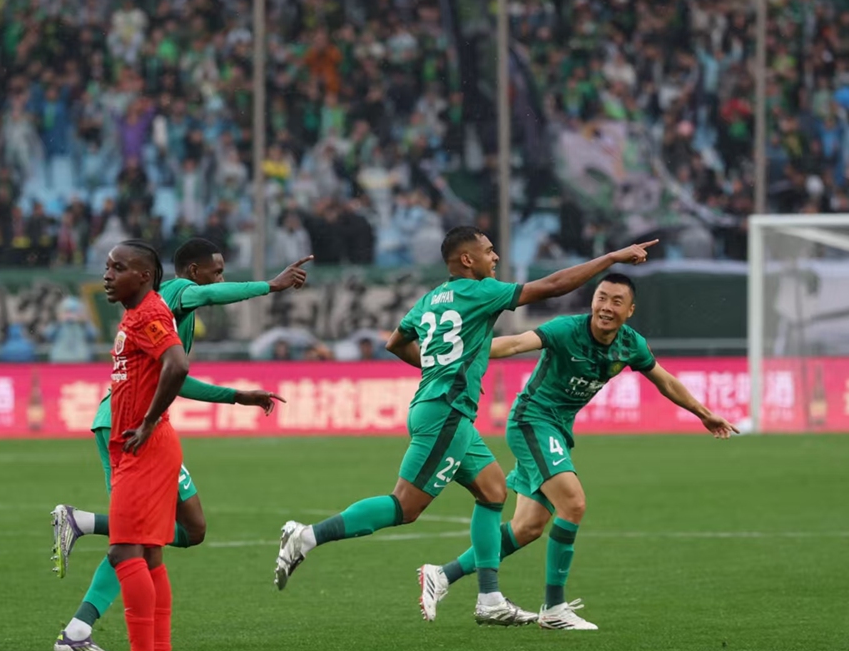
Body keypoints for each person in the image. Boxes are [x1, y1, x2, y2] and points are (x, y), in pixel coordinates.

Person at [273, 226, 657, 627]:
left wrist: (436, 366)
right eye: (489, 252)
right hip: (446, 412)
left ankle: (489, 598)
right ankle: (307, 536)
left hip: (441, 409)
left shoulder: (429, 299)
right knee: (405, 506)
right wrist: (611, 258)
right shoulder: (481, 292)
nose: (495, 258)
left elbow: (395, 342)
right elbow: (554, 285)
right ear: (467, 260)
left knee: (493, 490)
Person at [418, 274, 737, 629]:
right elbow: (515, 343)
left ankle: (442, 575)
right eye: (602, 298)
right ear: (592, 301)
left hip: (556, 429)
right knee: (574, 503)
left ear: (630, 311)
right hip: (532, 422)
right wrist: (458, 351)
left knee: (527, 528)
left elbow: (665, 380)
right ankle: (554, 608)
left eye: (617, 301)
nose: (606, 307)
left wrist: (704, 414)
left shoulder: (631, 344)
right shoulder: (566, 329)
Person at [52, 239, 310, 651]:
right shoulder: (174, 295)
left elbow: (177, 378)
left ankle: (82, 534)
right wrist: (269, 286)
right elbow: (206, 298)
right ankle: (94, 634)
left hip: (140, 424)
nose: (220, 279)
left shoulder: (168, 316)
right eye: (217, 271)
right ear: (192, 271)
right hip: (129, 426)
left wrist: (235, 396)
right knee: (134, 539)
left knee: (190, 530)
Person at [88, 241, 188, 651]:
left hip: (143, 447)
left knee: (123, 551)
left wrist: (147, 421)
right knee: (148, 556)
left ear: (144, 275)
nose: (108, 274)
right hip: (142, 444)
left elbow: (177, 363)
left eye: (119, 267)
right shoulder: (138, 313)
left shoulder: (147, 314)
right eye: (108, 266)